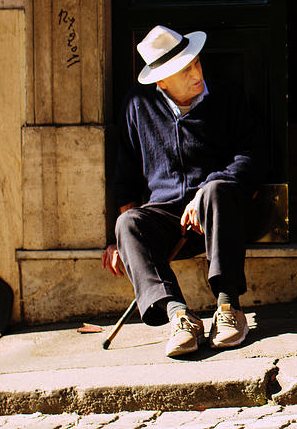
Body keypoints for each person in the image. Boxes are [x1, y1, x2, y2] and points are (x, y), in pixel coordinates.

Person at [102, 25, 263, 357]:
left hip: (221, 211)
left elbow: (253, 158)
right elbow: (125, 179)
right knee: (127, 224)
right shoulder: (137, 106)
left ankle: (229, 307)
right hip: (166, 216)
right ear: (162, 81)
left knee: (218, 190)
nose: (196, 73)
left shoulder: (227, 98)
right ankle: (179, 315)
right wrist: (121, 242)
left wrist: (204, 190)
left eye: (196, 63)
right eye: (184, 70)